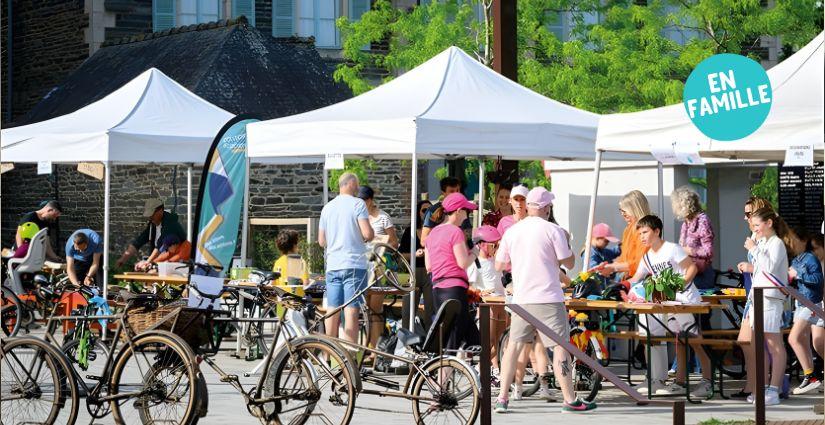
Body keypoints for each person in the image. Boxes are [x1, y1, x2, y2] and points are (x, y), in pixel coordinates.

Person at [494, 187, 596, 413]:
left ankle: (502, 398)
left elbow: (499, 265)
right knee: (560, 348)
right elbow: (569, 263)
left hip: (521, 297)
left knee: (513, 347)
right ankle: (569, 399)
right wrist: (566, 246)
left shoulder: (512, 231)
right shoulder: (554, 230)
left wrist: (524, 262)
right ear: (546, 207)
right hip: (549, 297)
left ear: (529, 206)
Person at [627, 215, 714, 397]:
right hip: (670, 304)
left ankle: (708, 382)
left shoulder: (672, 249)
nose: (642, 236)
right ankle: (681, 382)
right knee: (679, 342)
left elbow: (692, 268)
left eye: (645, 232)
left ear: (657, 231)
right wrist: (623, 286)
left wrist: (678, 285)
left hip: (686, 301)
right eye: (640, 233)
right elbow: (636, 279)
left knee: (694, 341)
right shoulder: (648, 257)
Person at [736, 207, 789, 406]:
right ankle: (762, 387)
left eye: (757, 225)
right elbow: (759, 271)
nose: (754, 229)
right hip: (757, 299)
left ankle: (774, 390)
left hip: (771, 300)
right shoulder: (764, 242)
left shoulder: (776, 243)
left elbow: (770, 268)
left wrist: (753, 249)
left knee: (774, 345)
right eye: (753, 226)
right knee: (759, 346)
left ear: (769, 224)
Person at [318, 172, 374, 343]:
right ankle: (349, 357)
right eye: (356, 184)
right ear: (349, 183)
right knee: (351, 309)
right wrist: (368, 235)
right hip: (354, 264)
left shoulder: (327, 207)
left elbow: (321, 241)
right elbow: (367, 233)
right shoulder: (358, 204)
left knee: (332, 309)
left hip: (333, 265)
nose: (358, 188)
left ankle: (328, 355)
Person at [423, 193, 481, 352]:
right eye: (467, 212)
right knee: (455, 338)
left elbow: (429, 266)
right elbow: (463, 262)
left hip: (437, 288)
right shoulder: (455, 232)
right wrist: (475, 252)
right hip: (454, 288)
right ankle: (443, 376)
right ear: (458, 211)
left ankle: (442, 371)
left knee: (450, 335)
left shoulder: (432, 234)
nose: (467, 216)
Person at [358, 185, 399, 355]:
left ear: (370, 200)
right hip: (364, 264)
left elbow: (395, 242)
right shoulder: (360, 217)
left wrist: (381, 244)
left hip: (380, 264)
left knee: (375, 307)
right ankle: (371, 346)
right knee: (366, 308)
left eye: (363, 201)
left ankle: (377, 350)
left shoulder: (383, 217)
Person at [785, 227, 823, 394]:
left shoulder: (810, 259)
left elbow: (817, 280)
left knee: (795, 338)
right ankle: (812, 377)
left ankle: (811, 376)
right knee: (814, 342)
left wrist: (797, 274)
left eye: (792, 240)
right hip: (803, 303)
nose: (789, 244)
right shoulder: (797, 260)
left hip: (812, 304)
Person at [466, 225, 507, 382]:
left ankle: (489, 368)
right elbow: (469, 286)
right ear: (482, 244)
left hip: (501, 303)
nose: (496, 247)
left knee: (500, 341)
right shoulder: (475, 262)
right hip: (487, 306)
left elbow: (500, 280)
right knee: (489, 342)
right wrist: (480, 293)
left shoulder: (495, 260)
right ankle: (481, 367)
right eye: (493, 244)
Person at [116, 198, 187, 269]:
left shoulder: (170, 223)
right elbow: (139, 241)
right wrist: (123, 259)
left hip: (176, 262)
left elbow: (161, 245)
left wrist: (147, 262)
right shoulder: (153, 224)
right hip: (163, 262)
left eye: (152, 214)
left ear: (160, 211)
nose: (150, 217)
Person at [598, 190, 651, 280]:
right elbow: (624, 258)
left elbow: (641, 263)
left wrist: (613, 267)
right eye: (621, 211)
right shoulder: (628, 229)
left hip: (641, 281)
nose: (622, 214)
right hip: (628, 278)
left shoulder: (645, 230)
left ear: (635, 209)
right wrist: (610, 266)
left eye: (624, 211)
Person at [399, 200, 435, 329]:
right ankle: (405, 342)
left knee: (431, 310)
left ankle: (430, 342)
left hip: (429, 272)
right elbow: (400, 255)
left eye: (430, 210)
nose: (427, 213)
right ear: (418, 212)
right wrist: (414, 254)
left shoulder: (436, 231)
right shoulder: (410, 231)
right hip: (409, 271)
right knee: (407, 309)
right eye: (424, 210)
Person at [671, 186, 715, 290]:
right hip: (687, 271)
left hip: (700, 274)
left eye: (676, 205)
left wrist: (688, 250)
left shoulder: (702, 221)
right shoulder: (686, 223)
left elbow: (708, 251)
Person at [420, 177, 463, 245]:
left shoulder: (463, 210)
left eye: (457, 190)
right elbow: (423, 241)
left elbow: (468, 237)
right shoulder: (432, 211)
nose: (456, 194)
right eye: (451, 191)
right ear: (443, 193)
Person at [583, 223, 621, 287]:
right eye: (606, 241)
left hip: (604, 285)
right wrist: (612, 267)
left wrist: (621, 246)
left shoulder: (602, 250)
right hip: (597, 287)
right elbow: (594, 269)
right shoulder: (589, 253)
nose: (608, 243)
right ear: (597, 238)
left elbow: (613, 252)